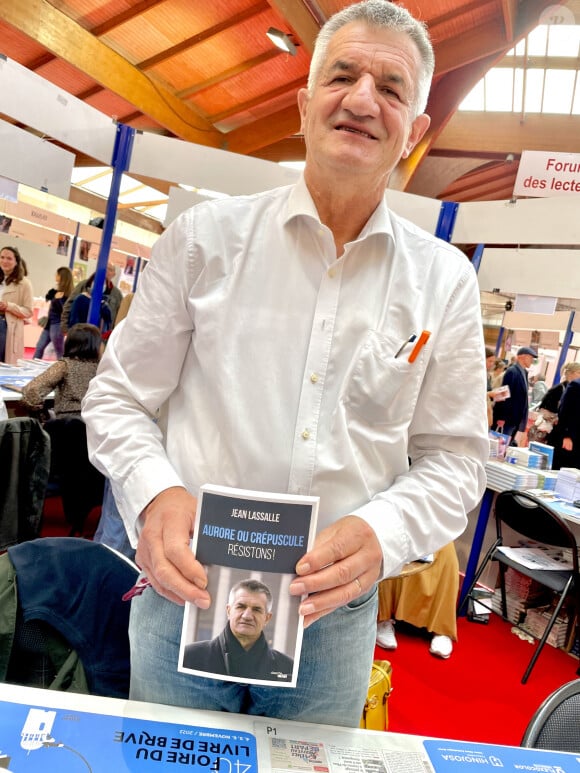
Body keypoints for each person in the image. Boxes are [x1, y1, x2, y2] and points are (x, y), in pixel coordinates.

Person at [82, 0, 488, 727]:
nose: (363, 100)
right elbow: (117, 400)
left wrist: (383, 532)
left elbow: (454, 460)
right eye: (342, 75)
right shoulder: (205, 241)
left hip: (331, 616)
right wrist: (155, 494)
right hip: (189, 590)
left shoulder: (444, 281)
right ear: (304, 105)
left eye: (392, 89)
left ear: (415, 133)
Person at [182, 579, 294, 682]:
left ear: (267, 618)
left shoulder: (288, 668)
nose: (247, 616)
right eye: (241, 606)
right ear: (228, 611)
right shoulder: (189, 657)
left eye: (256, 609)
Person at [375, 542, 459, 659]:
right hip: (398, 527)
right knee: (386, 544)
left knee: (447, 550)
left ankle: (441, 628)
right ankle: (382, 619)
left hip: (432, 528)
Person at [21, 323, 102, 418]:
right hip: (96, 421)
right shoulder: (102, 367)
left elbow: (31, 390)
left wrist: (40, 411)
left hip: (67, 423)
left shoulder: (65, 365)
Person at [492, 346, 537, 444]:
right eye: (530, 358)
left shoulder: (524, 372)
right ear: (522, 357)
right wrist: (501, 417)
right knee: (498, 446)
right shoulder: (512, 371)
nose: (532, 360)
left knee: (505, 446)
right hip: (506, 418)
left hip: (514, 419)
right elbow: (504, 395)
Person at [61, 263, 121, 334]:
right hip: (77, 332)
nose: (106, 271)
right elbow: (69, 305)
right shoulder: (84, 285)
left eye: (110, 269)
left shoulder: (117, 294)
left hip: (101, 336)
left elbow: (118, 318)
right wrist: (65, 328)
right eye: (105, 267)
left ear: (114, 274)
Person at [0, 245, 33, 364]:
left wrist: (8, 306)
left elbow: (28, 311)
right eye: (2, 257)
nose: (4, 261)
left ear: (16, 262)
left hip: (6, 326)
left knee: (3, 362)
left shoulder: (24, 284)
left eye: (9, 258)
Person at [33, 266, 74, 360]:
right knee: (39, 347)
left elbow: (65, 310)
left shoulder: (67, 295)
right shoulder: (57, 292)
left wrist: (59, 299)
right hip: (49, 324)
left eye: (57, 274)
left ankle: (63, 370)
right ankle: (31, 367)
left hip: (57, 325)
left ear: (62, 276)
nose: (55, 276)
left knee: (59, 351)